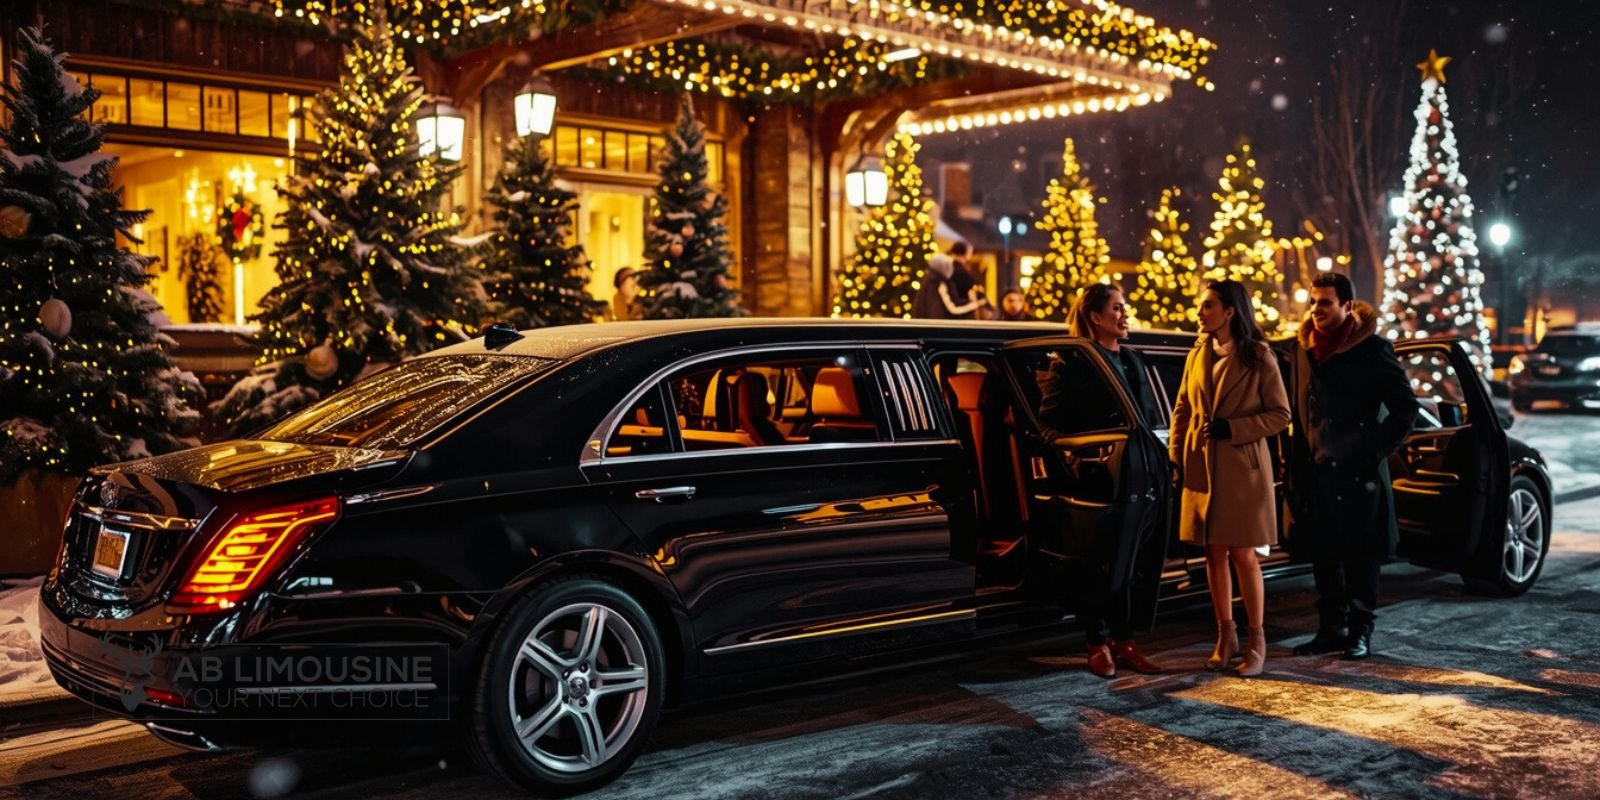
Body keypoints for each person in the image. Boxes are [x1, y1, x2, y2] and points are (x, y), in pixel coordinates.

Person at [1286, 272, 1419, 660]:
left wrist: (1370, 448)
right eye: (1312, 302)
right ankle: (1330, 628)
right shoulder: (1301, 351)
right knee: (1323, 554)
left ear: (1347, 305)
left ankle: (1360, 631)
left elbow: (1405, 410)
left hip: (1359, 473)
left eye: (1324, 303)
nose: (1315, 310)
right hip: (1316, 469)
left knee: (1362, 557)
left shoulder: (1373, 349)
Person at [1039, 283, 1165, 678]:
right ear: (1095, 316)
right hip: (1099, 479)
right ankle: (1097, 642)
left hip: (1140, 475)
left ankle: (1125, 641)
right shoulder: (1072, 363)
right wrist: (1079, 456)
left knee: (1134, 563)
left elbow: (1147, 419)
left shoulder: (1132, 361)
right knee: (1100, 565)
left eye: (1123, 307)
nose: (1124, 314)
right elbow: (1048, 423)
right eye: (1116, 308)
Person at [1169, 279, 1291, 677]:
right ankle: (1226, 635)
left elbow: (1280, 415)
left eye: (1207, 306)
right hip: (1202, 467)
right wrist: (1177, 458)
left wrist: (1234, 428)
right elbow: (1182, 410)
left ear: (1229, 311)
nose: (1200, 313)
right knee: (1213, 552)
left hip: (1243, 470)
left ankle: (1257, 639)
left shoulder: (1258, 356)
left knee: (1243, 555)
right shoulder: (1197, 354)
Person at [911, 254, 987, 319]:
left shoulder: (929, 280)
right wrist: (975, 304)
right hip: (938, 330)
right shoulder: (939, 283)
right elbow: (952, 309)